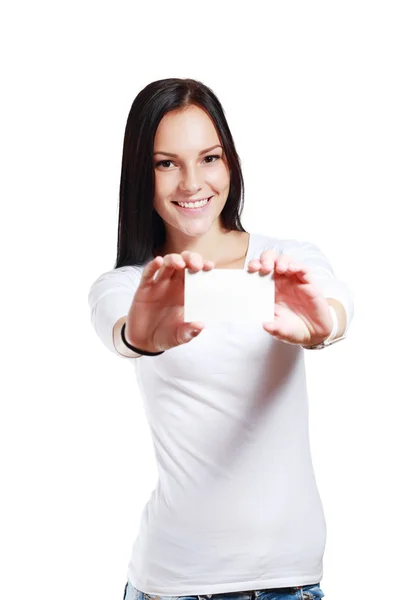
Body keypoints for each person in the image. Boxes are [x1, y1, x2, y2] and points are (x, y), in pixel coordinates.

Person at [88, 78, 353, 600]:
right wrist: (143, 337)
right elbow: (122, 331)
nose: (192, 182)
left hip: (289, 582)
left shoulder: (287, 260)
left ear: (230, 162)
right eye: (167, 163)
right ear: (141, 174)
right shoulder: (127, 286)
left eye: (208, 158)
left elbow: (337, 307)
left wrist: (324, 328)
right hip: (172, 584)